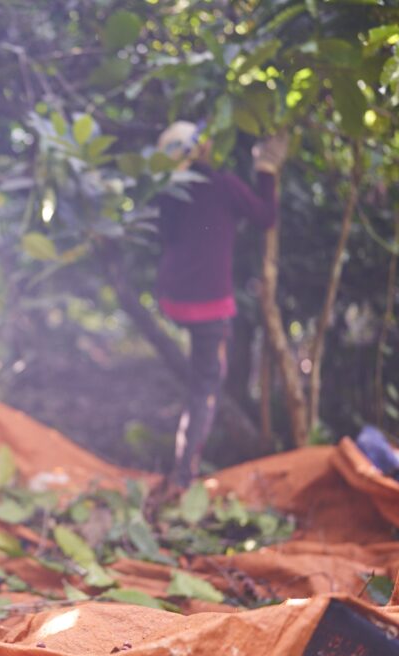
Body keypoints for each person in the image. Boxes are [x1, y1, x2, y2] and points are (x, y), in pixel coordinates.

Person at [154, 121, 287, 488]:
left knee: (203, 377)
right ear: (203, 148)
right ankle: (183, 477)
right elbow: (265, 216)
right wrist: (266, 170)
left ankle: (183, 467)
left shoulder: (169, 190)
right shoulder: (223, 185)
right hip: (208, 304)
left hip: (173, 297)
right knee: (206, 388)